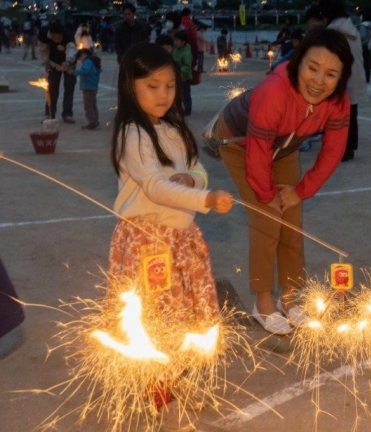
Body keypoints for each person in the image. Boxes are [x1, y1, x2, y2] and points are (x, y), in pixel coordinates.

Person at [108, 43, 233, 429]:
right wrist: (204, 197)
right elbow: (154, 187)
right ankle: (160, 394)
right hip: (149, 244)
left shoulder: (175, 128)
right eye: (152, 86)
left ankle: (176, 380)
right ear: (131, 87)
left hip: (181, 239)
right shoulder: (133, 134)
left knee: (187, 316)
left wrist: (194, 180)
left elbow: (197, 169)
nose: (163, 95)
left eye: (169, 86)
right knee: (158, 318)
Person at [203, 26, 353, 335]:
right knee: (268, 218)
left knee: (292, 219)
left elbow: (333, 151)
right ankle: (263, 302)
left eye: (330, 74)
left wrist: (301, 191)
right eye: (313, 68)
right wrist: (265, 192)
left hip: (285, 147)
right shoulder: (274, 92)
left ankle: (290, 297)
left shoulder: (338, 102)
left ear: (341, 78)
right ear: (299, 62)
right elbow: (257, 153)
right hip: (238, 141)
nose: (318, 81)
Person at [319, 0, 368, 162]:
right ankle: (349, 148)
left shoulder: (333, 32)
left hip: (342, 80)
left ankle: (338, 148)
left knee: (336, 116)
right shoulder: (351, 28)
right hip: (356, 79)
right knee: (352, 116)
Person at [38, 21, 77, 123]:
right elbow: (43, 49)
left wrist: (68, 62)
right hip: (53, 63)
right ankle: (50, 113)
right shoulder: (43, 34)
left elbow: (71, 50)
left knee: (69, 87)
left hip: (69, 64)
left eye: (59, 38)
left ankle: (67, 114)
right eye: (55, 38)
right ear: (51, 34)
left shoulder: (68, 37)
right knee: (52, 88)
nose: (57, 40)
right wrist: (46, 62)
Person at [74, 48, 101, 130]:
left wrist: (74, 71)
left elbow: (85, 71)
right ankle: (95, 120)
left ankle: (92, 122)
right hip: (92, 86)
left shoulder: (88, 61)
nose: (80, 61)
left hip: (88, 86)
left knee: (88, 105)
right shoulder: (93, 61)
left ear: (83, 54)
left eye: (79, 58)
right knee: (92, 104)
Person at [172, 30, 192, 116]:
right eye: (175, 40)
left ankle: (187, 110)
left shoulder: (186, 53)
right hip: (176, 77)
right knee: (177, 94)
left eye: (177, 41)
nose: (175, 42)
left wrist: (178, 70)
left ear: (183, 42)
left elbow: (187, 67)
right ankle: (178, 109)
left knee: (185, 95)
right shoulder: (175, 50)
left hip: (185, 78)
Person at [358, 10, 371, 83]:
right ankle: (367, 77)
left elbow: (362, 36)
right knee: (368, 64)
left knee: (363, 63)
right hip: (370, 45)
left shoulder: (363, 25)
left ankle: (363, 78)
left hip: (364, 46)